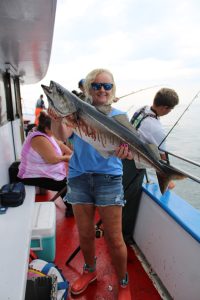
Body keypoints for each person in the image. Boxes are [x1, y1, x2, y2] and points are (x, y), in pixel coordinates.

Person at [50, 69, 132, 299]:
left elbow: (126, 150)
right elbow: (62, 134)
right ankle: (90, 271)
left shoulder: (118, 116)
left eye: (107, 86)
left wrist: (125, 154)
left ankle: (123, 281)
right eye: (96, 86)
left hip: (109, 179)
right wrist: (57, 117)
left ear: (113, 89)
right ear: (88, 89)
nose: (102, 90)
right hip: (79, 177)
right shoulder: (75, 113)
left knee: (115, 238)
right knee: (85, 233)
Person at [121, 88, 179, 244]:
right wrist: (168, 177)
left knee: (122, 195)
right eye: (170, 109)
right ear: (165, 108)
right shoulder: (157, 128)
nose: (169, 111)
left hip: (124, 157)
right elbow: (162, 154)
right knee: (130, 200)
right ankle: (124, 237)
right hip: (133, 165)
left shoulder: (142, 109)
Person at [17, 111, 73, 217]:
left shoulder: (47, 133)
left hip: (41, 171)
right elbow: (52, 159)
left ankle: (72, 204)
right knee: (66, 183)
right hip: (31, 175)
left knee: (69, 180)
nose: (58, 131)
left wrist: (73, 154)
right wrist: (68, 158)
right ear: (47, 129)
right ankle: (71, 210)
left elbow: (60, 144)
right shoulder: (39, 139)